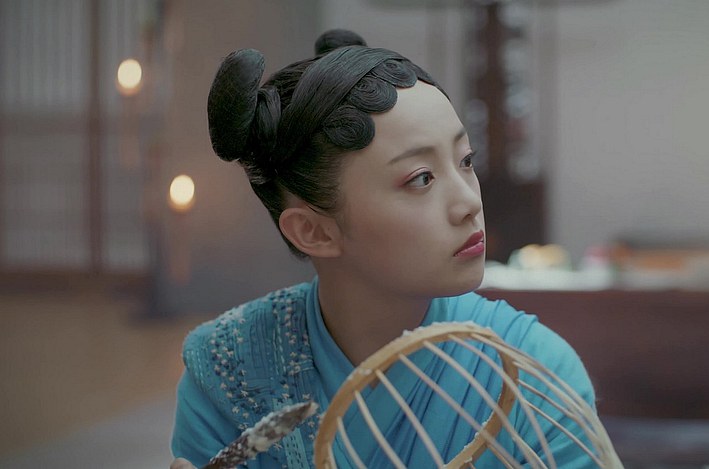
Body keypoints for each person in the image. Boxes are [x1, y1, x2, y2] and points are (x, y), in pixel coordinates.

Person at [170, 29, 597, 469]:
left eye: (466, 161)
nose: (469, 203)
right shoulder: (227, 368)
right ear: (314, 232)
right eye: (421, 178)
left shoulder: (534, 372)